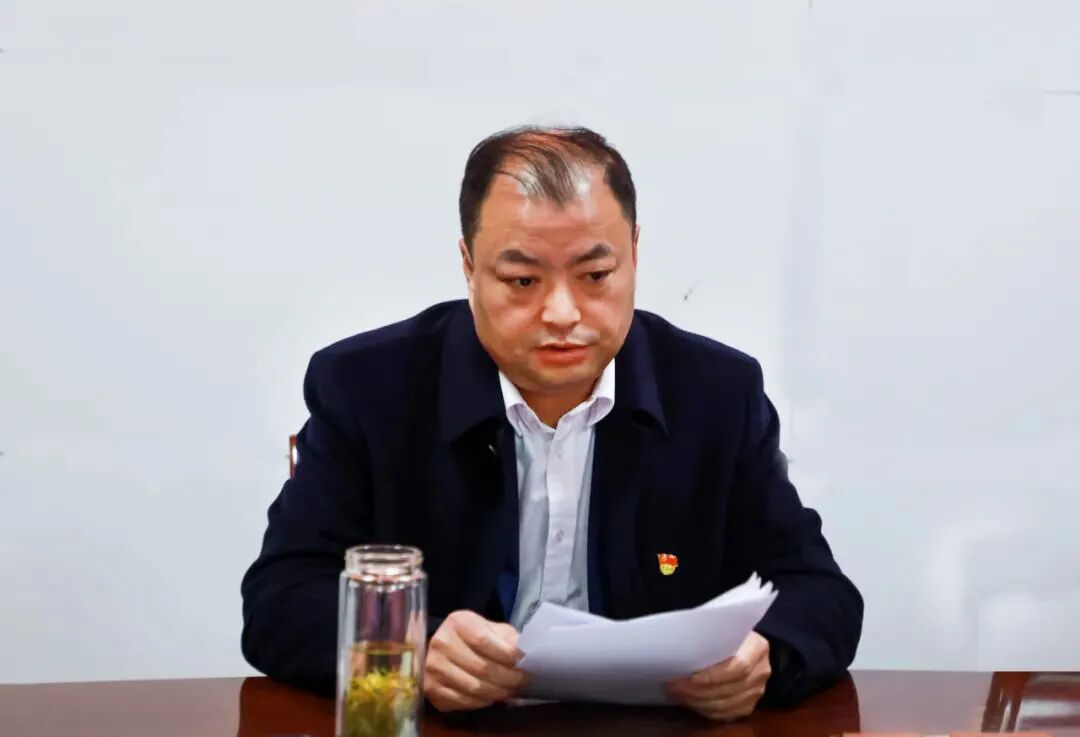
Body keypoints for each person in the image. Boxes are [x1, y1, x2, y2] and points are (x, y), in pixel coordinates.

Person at [241, 125, 863, 722]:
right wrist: (414, 650)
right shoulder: (368, 389)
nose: (562, 313)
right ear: (468, 266)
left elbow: (820, 593)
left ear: (634, 253)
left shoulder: (717, 394)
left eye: (595, 276)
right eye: (522, 280)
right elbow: (280, 599)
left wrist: (763, 657)